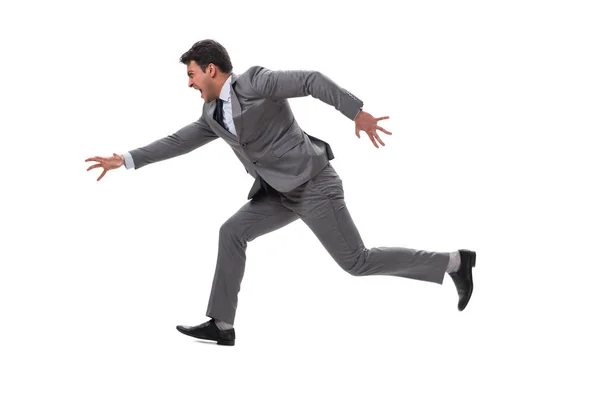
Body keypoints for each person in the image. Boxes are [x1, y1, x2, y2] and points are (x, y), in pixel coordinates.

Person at [85, 39, 476, 346]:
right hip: (277, 194)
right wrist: (127, 159)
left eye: (191, 74)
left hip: (314, 185)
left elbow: (311, 80)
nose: (188, 83)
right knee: (232, 231)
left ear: (210, 69)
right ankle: (222, 325)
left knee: (357, 262)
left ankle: (454, 262)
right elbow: (178, 141)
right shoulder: (211, 115)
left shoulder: (254, 81)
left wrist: (356, 113)